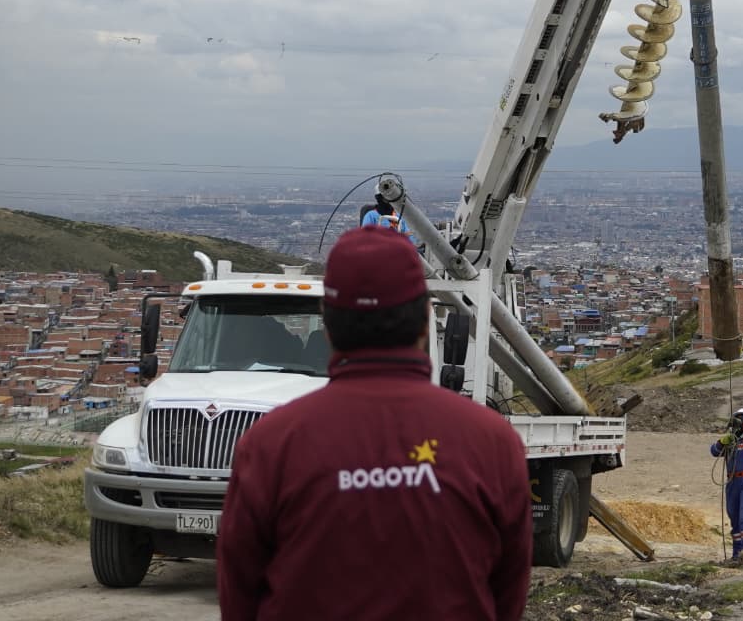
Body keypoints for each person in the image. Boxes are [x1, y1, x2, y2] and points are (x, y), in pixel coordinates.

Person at [217, 226, 532, 621]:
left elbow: (239, 597)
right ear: (425, 318)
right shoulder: (492, 444)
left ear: (327, 325)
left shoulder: (270, 446)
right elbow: (507, 596)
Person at [710, 408, 743, 558]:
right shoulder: (732, 440)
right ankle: (737, 554)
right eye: (738, 420)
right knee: (735, 519)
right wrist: (722, 442)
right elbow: (714, 451)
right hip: (732, 482)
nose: (739, 423)